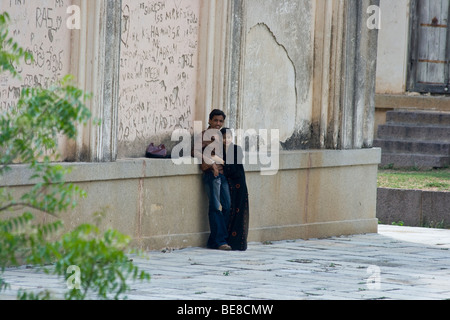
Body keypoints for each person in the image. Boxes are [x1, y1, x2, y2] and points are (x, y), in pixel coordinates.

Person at [192, 109, 232, 251]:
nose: (218, 123)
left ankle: (215, 240)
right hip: (212, 174)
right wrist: (211, 163)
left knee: (228, 206)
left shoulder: (221, 136)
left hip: (223, 175)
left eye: (220, 121)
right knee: (215, 207)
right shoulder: (203, 135)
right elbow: (195, 151)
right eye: (215, 120)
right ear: (209, 120)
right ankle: (220, 241)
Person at [221, 128, 249, 251]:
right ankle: (226, 240)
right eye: (224, 137)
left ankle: (238, 243)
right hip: (229, 184)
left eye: (228, 137)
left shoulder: (237, 149)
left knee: (239, 211)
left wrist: (222, 163)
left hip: (238, 183)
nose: (226, 140)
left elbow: (232, 168)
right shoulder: (219, 150)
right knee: (230, 209)